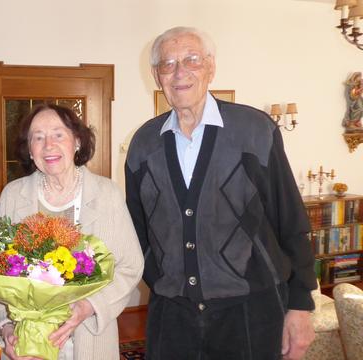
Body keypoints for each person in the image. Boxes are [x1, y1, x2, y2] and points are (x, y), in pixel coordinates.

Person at [125, 27, 316, 360]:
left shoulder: (255, 130)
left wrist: (300, 305)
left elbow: (291, 222)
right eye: (168, 64)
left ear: (211, 68)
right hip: (172, 317)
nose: (179, 71)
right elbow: (136, 232)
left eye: (192, 60)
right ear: (157, 76)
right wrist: (159, 279)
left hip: (250, 313)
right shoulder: (143, 144)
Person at [0, 104, 144, 360]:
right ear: (29, 149)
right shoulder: (13, 195)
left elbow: (130, 267)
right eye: (37, 137)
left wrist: (88, 306)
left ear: (77, 141)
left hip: (90, 338)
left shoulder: (107, 194)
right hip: (28, 344)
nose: (48, 145)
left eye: (58, 134)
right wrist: (7, 329)